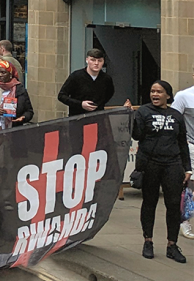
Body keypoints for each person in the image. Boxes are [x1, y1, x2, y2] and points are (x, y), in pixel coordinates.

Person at [129, 81, 191, 263]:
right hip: (150, 163)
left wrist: (187, 168)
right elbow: (137, 135)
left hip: (172, 164)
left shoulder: (176, 115)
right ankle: (148, 241)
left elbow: (182, 143)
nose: (155, 94)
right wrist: (130, 117)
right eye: (152, 91)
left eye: (159, 92)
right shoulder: (144, 112)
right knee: (150, 202)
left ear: (168, 96)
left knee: (173, 205)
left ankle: (172, 245)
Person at [58, 48, 115, 117]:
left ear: (103, 62)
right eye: (93, 60)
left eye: (99, 61)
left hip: (98, 118)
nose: (96, 63)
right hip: (77, 118)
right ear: (87, 60)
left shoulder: (106, 79)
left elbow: (109, 94)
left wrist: (99, 104)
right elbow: (61, 96)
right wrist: (80, 104)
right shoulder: (76, 76)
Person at [171, 69, 194, 239]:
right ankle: (184, 220)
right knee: (190, 185)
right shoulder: (184, 96)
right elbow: (174, 119)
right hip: (190, 145)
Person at [0, 59, 33, 129]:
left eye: (3, 72)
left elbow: (29, 111)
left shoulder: (20, 89)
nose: (0, 75)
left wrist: (23, 118)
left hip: (14, 129)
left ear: (10, 74)